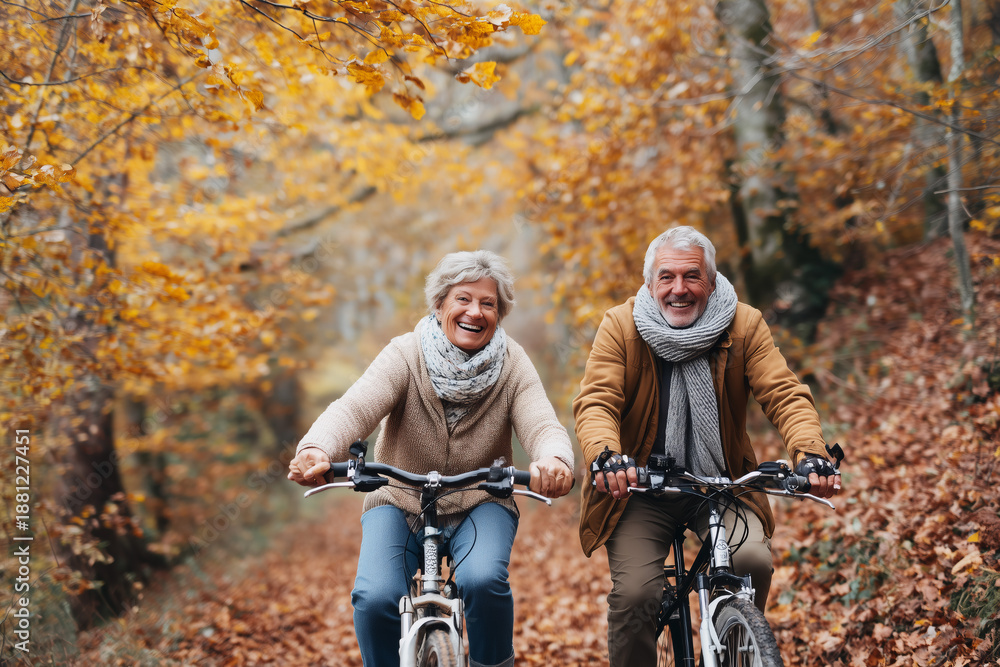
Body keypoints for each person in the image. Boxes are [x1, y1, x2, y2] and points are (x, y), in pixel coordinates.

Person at [288, 250, 575, 667]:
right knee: (374, 597)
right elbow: (354, 407)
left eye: (488, 303)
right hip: (398, 499)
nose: (475, 312)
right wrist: (316, 447)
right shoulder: (405, 354)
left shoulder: (513, 364)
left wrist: (555, 460)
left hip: (482, 500)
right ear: (440, 304)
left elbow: (542, 423)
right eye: (463, 299)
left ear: (499, 313)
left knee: (483, 581)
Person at [573, 226, 842, 667]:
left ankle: (734, 642)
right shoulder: (620, 326)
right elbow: (597, 400)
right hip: (638, 488)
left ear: (712, 282)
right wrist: (606, 454)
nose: (679, 289)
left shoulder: (744, 323)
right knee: (637, 595)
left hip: (720, 482)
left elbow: (784, 393)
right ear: (649, 283)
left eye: (692, 276)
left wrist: (810, 452)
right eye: (667, 277)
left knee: (752, 560)